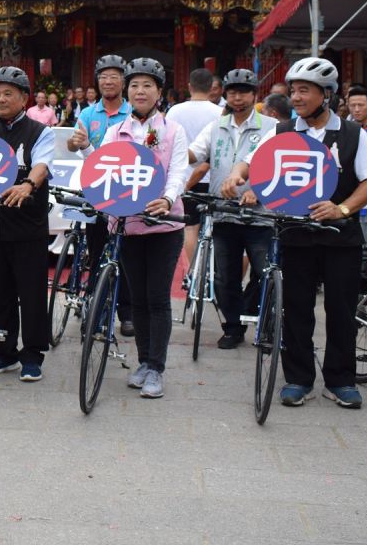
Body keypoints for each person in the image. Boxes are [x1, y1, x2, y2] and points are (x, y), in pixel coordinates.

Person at [222, 57, 367, 410]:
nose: (295, 97)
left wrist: (342, 209)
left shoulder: (353, 134)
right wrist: (237, 175)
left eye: (304, 90)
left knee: (341, 310)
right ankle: (298, 378)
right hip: (295, 234)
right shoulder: (282, 132)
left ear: (326, 95)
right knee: (296, 309)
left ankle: (341, 380)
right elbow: (250, 159)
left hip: (341, 236)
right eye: (293, 90)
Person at [89, 58, 188, 398]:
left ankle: (156, 368)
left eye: (147, 85)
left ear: (160, 92)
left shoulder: (173, 130)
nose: (140, 91)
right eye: (134, 85)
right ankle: (144, 362)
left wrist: (168, 198)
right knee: (139, 298)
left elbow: (178, 171)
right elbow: (102, 168)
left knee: (158, 298)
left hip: (163, 226)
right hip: (126, 226)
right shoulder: (115, 131)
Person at [187, 69, 275, 349]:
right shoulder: (217, 126)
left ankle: (267, 323)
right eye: (233, 91)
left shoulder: (273, 126)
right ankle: (233, 327)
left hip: (261, 215)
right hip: (224, 211)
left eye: (244, 91)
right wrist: (164, 145)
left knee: (265, 272)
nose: (238, 97)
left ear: (255, 94)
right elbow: (195, 153)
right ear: (225, 94)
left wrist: (256, 191)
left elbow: (278, 166)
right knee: (225, 276)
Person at [0, 66, 54, 382]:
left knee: (32, 292)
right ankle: (4, 351)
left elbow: (42, 165)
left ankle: (33, 354)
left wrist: (28, 185)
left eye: (9, 93)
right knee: (0, 291)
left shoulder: (40, 131)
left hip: (28, 224)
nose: (2, 98)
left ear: (24, 98)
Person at [68, 55, 132, 331]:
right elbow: (74, 145)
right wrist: (74, 143)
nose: (108, 81)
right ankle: (94, 303)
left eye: (114, 77)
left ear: (123, 81)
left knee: (125, 251)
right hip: (94, 188)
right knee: (95, 251)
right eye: (103, 77)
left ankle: (127, 313)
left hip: (127, 190)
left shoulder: (132, 112)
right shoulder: (87, 114)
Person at [166, 68, 222, 280]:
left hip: (184, 178)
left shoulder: (175, 111)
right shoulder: (220, 112)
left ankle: (192, 273)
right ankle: (213, 274)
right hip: (214, 178)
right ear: (212, 88)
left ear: (189, 86)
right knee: (214, 230)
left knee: (190, 228)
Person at [343, 85, 367, 250]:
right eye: (352, 105)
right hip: (347, 201)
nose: (356, 110)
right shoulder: (343, 132)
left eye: (361, 105)